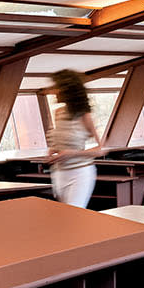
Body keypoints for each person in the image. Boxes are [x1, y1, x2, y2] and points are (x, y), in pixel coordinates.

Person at [47, 70, 103, 208]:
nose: (53, 91)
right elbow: (61, 143)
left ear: (67, 90)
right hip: (59, 174)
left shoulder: (85, 116)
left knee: (74, 214)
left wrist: (71, 153)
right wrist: (53, 151)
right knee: (66, 219)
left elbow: (100, 150)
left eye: (57, 87)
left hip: (80, 174)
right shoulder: (58, 113)